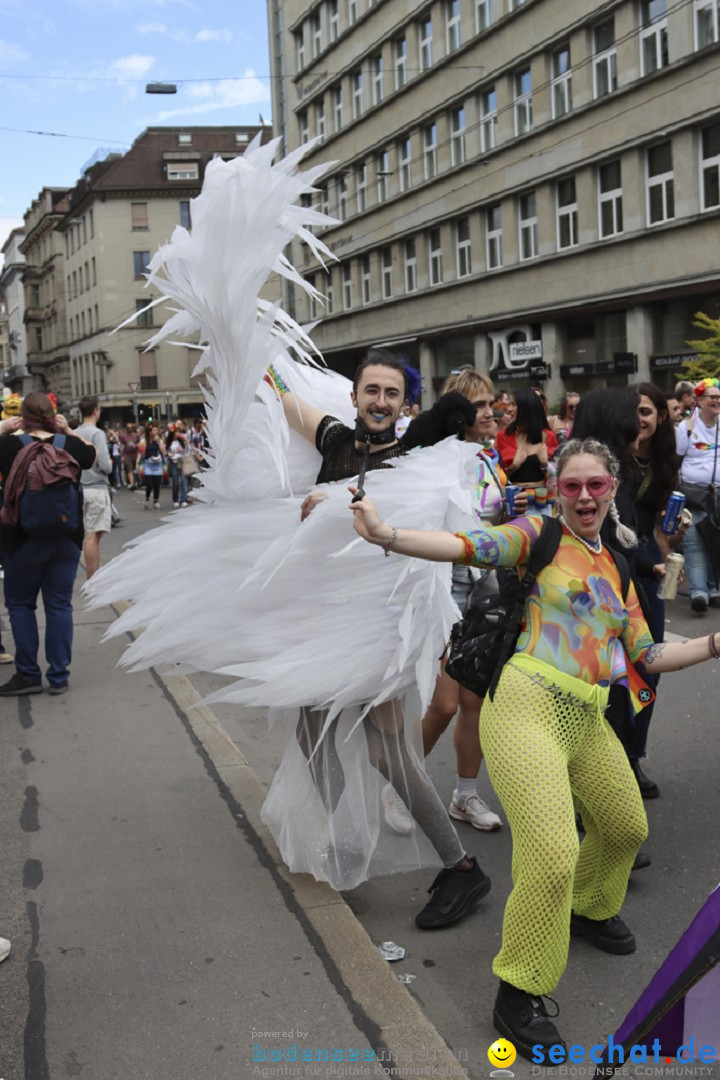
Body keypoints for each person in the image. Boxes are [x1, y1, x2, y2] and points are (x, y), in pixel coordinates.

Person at [350, 436, 720, 1057]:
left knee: (626, 827)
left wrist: (711, 646)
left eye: (595, 486)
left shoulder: (618, 566)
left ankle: (587, 906)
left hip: (589, 716)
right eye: (571, 485)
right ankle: (517, 990)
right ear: (556, 490)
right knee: (551, 852)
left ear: (611, 491)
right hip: (524, 705)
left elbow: (646, 654)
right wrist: (386, 534)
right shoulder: (536, 535)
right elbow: (466, 545)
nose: (582, 496)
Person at [267, 350, 492, 918]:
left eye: (391, 393)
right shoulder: (336, 440)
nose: (380, 402)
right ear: (355, 396)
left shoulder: (414, 454)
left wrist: (332, 503)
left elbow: (400, 513)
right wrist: (239, 350)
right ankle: (347, 838)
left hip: (379, 625)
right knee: (312, 739)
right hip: (320, 621)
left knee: (390, 753)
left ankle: (461, 868)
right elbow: (280, 395)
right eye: (372, 390)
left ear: (403, 404)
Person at [419, 367, 506, 831]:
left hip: (486, 589)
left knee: (474, 702)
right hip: (446, 585)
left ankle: (465, 796)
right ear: (458, 413)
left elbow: (497, 518)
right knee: (444, 705)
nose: (490, 411)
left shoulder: (490, 459)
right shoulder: (437, 460)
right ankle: (402, 785)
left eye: (491, 403)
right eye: (479, 405)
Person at [0, 393, 96, 695]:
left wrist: (3, 429)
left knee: (20, 604)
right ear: (52, 415)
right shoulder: (69, 446)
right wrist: (68, 431)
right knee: (58, 605)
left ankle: (28, 675)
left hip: (22, 538)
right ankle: (59, 677)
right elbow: (93, 456)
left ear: (22, 418)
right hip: (65, 537)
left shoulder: (8, 446)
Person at [625, 383, 681, 798]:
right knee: (607, 668)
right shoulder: (611, 456)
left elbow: (664, 528)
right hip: (613, 559)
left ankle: (632, 756)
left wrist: (674, 535)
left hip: (650, 560)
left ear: (661, 417)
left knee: (649, 665)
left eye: (646, 412)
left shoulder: (665, 461)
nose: (639, 419)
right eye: (634, 412)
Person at [676, 377, 720, 613]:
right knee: (694, 542)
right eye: (711, 396)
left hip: (719, 493)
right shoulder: (687, 427)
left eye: (718, 396)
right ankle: (699, 593)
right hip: (694, 494)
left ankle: (714, 591)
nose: (716, 400)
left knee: (716, 540)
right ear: (699, 401)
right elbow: (677, 457)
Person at [75, 395, 113, 580]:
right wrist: (111, 464)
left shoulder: (74, 432)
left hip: (79, 489)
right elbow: (105, 465)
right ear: (96, 410)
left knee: (90, 534)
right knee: (92, 536)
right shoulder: (97, 434)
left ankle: (94, 578)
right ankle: (92, 580)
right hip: (96, 487)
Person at [496, 386, 558, 489]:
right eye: (509, 404)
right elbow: (496, 478)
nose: (509, 409)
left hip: (542, 500)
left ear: (527, 408)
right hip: (514, 498)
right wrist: (513, 467)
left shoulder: (549, 437)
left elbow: (556, 479)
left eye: (514, 404)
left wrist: (544, 464)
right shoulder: (503, 436)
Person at [139, 425, 166, 510]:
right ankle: (147, 499)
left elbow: (163, 451)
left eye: (156, 430)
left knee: (157, 484)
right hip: (148, 464)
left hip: (157, 463)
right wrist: (138, 463)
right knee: (149, 484)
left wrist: (158, 441)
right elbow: (140, 452)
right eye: (154, 430)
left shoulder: (159, 440)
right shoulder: (144, 440)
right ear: (149, 432)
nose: (155, 432)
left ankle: (156, 501)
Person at [167, 422, 189, 508]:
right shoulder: (170, 442)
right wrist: (169, 454)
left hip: (182, 462)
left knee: (184, 482)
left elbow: (187, 450)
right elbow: (167, 452)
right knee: (175, 483)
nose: (177, 433)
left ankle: (183, 499)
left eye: (178, 432)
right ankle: (175, 499)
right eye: (176, 432)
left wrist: (186, 442)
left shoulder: (182, 441)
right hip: (174, 463)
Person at [119, 422, 139, 490]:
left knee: (135, 469)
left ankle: (134, 482)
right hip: (127, 454)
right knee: (129, 469)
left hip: (135, 454)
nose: (129, 429)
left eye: (131, 428)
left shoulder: (136, 435)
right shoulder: (123, 436)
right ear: (126, 428)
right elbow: (121, 445)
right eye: (128, 428)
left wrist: (136, 446)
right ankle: (132, 484)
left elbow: (139, 444)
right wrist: (122, 455)